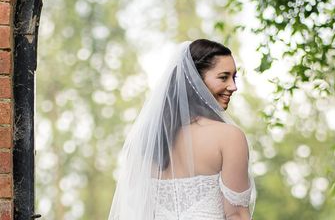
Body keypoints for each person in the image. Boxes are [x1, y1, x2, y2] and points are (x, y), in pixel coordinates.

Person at [108, 39, 256, 220]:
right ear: (195, 80)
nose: (233, 86)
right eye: (223, 77)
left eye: (234, 77)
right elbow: (238, 215)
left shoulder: (147, 141)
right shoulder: (229, 137)